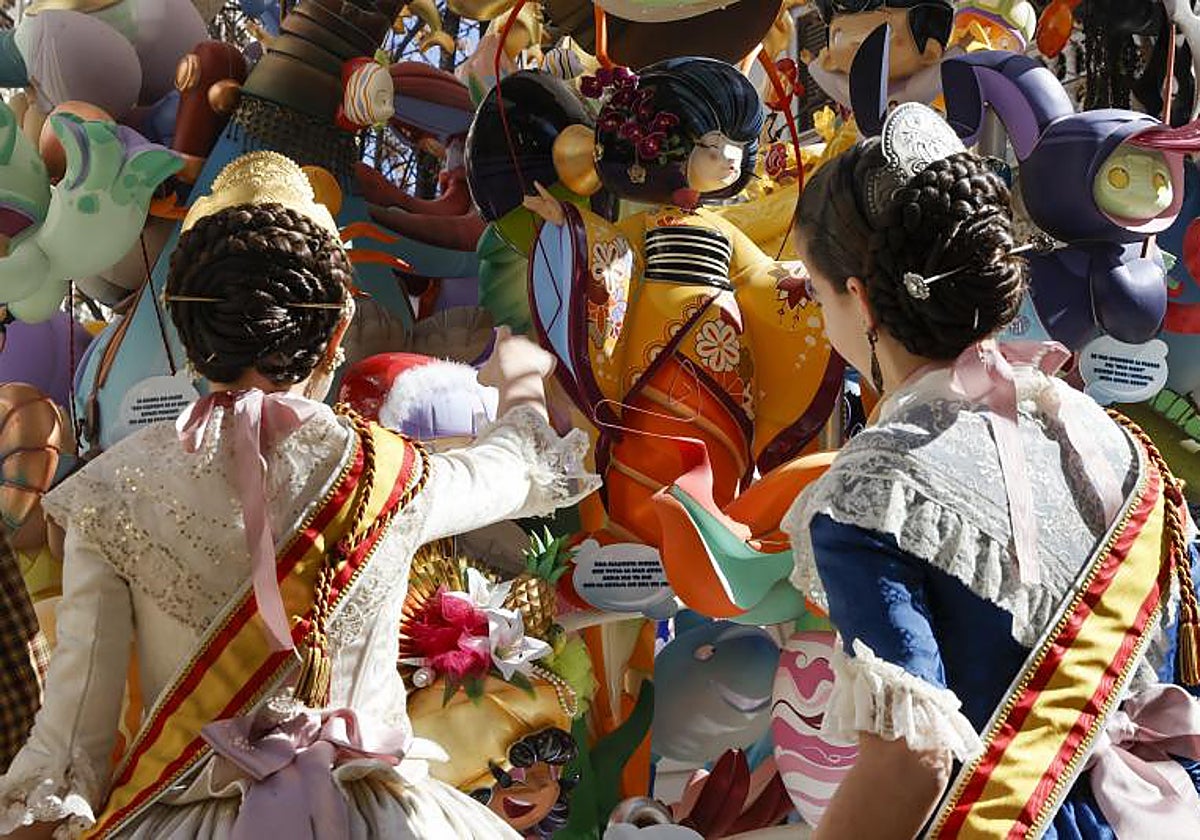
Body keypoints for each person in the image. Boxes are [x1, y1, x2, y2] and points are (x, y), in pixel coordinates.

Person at [0, 150, 599, 839]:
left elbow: (74, 735)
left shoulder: (111, 490)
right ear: (336, 333)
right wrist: (517, 377)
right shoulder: (393, 471)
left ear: (190, 336)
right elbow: (518, 468)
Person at [785, 102, 1200, 839]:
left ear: (860, 299)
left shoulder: (876, 489)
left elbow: (911, 761)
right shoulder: (1112, 440)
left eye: (819, 294)